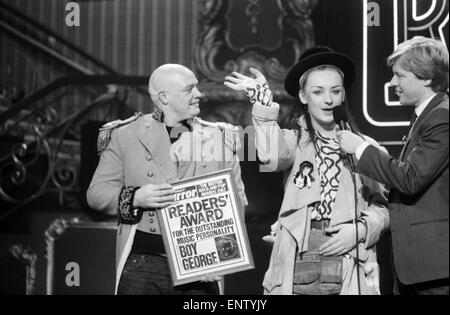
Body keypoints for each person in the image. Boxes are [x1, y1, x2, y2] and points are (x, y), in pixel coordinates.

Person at [225, 46, 389, 295]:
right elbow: (271, 156)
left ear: (343, 94)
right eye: (318, 91)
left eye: (335, 91)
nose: (328, 99)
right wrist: (262, 102)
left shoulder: (365, 147)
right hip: (299, 260)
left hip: (348, 258)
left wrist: (361, 229)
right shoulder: (294, 142)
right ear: (303, 96)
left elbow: (384, 206)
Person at [87, 63, 248, 295]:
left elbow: (237, 204)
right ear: (164, 97)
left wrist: (220, 259)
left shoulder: (220, 138)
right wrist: (135, 197)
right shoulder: (125, 135)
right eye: (189, 89)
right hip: (143, 263)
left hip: (200, 268)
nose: (199, 94)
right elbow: (96, 192)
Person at [337, 36, 449, 295]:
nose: (392, 82)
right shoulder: (427, 115)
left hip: (433, 269)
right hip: (418, 268)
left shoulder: (441, 117)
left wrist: (361, 149)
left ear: (427, 78)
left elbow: (411, 179)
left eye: (400, 75)